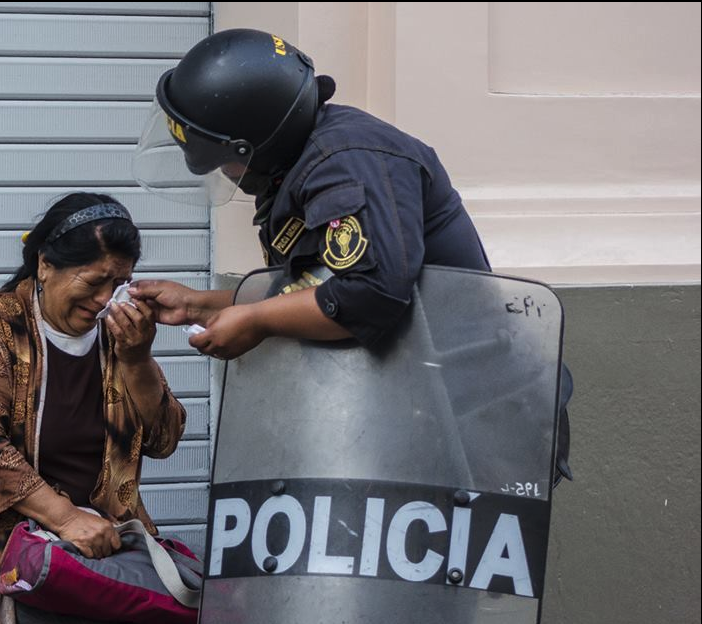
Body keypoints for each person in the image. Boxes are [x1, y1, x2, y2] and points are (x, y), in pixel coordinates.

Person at [131, 28, 572, 482]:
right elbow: (314, 285)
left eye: (223, 160)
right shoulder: (302, 162)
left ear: (256, 144)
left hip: (477, 413)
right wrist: (197, 305)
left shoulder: (348, 163)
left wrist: (256, 322)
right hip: (414, 403)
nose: (225, 173)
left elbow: (369, 292)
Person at [0, 192, 191, 624]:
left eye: (120, 283)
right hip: (5, 551)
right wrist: (67, 520)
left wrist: (137, 359)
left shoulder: (117, 336)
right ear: (45, 264)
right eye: (94, 281)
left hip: (104, 546)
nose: (106, 299)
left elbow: (164, 439)